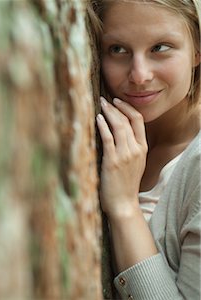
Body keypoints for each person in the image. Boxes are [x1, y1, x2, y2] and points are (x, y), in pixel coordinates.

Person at [87, 0, 201, 299]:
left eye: (160, 47)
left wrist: (125, 207)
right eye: (119, 50)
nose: (139, 75)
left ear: (197, 50)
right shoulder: (106, 132)